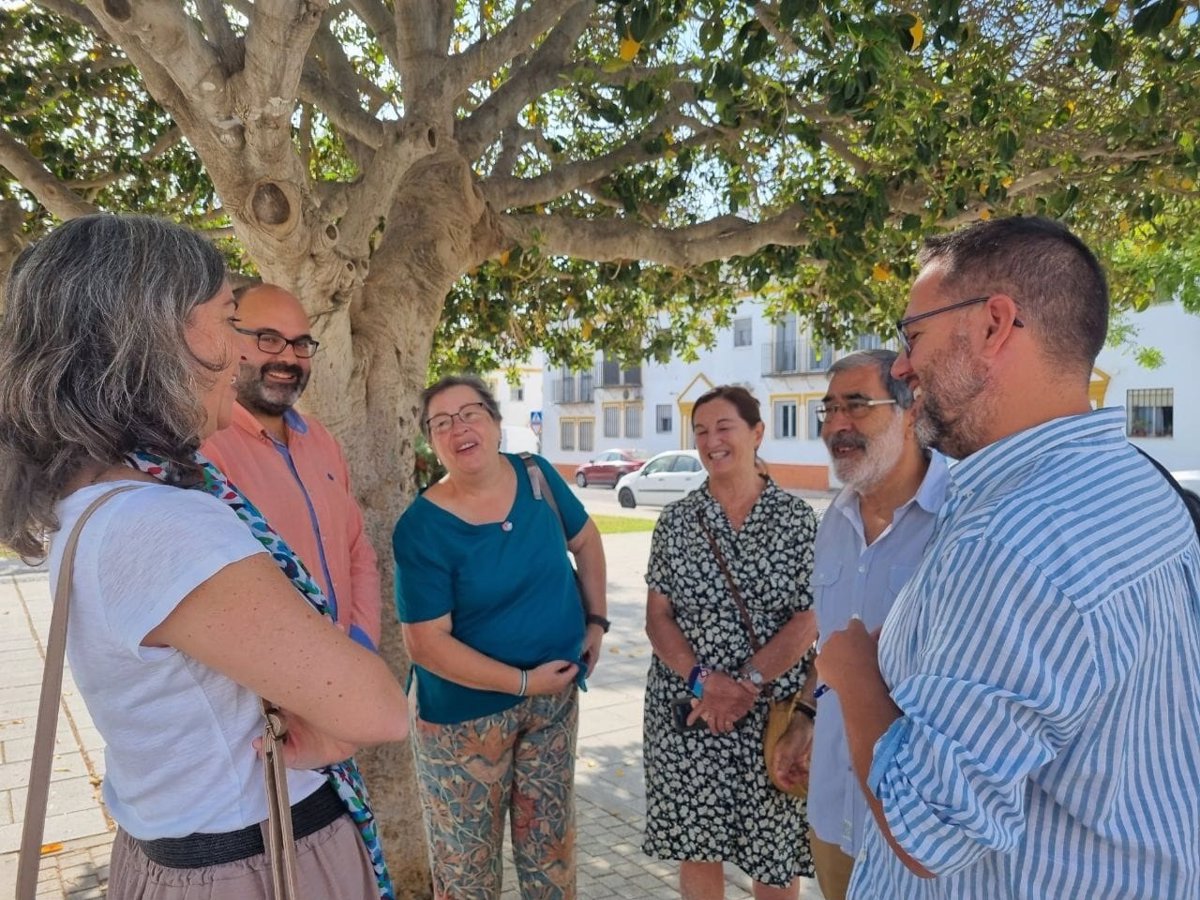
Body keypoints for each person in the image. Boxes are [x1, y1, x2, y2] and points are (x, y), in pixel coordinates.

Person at [0, 214, 408, 898]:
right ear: (158, 338)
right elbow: (378, 711)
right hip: (259, 864)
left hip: (204, 851)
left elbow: (353, 549)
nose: (244, 355)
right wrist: (336, 724)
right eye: (228, 321)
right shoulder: (160, 521)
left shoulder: (101, 501)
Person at [819, 216, 1200, 899]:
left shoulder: (1013, 536)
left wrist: (855, 676)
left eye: (914, 336)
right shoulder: (1138, 484)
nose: (902, 366)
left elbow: (926, 827)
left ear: (994, 325)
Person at [392, 374, 608, 900]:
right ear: (431, 441)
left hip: (553, 704)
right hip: (463, 724)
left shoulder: (536, 476)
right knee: (467, 873)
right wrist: (523, 682)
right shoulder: (421, 527)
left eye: (470, 413)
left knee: (551, 857)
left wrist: (597, 623)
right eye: (441, 423)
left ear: (493, 421)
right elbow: (425, 644)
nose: (459, 428)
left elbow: (586, 540)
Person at [771, 350, 948, 900]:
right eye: (828, 409)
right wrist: (805, 717)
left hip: (919, 833)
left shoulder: (962, 520)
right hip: (832, 815)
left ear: (910, 410)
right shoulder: (835, 521)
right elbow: (831, 650)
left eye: (856, 405)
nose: (836, 425)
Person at [642, 384, 818, 900]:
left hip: (771, 713)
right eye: (700, 431)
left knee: (773, 853)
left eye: (724, 427)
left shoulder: (796, 519)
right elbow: (658, 618)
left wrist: (744, 684)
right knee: (698, 846)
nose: (711, 441)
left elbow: (809, 617)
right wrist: (705, 682)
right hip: (691, 709)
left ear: (756, 433)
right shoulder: (677, 521)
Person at [202, 283, 380, 650]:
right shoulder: (202, 448)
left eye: (301, 344)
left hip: (347, 666)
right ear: (227, 339)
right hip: (273, 675)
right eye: (268, 339)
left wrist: (361, 642)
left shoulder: (322, 441)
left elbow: (356, 548)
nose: (288, 358)